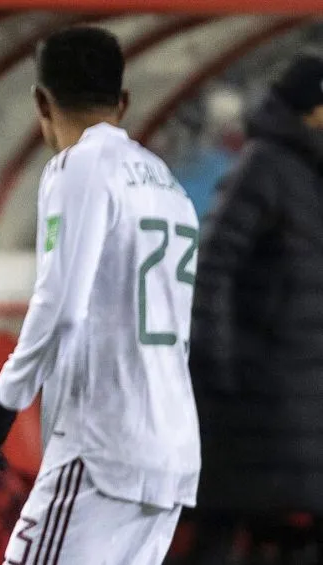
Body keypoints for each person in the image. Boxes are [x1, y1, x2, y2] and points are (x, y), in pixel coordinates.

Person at [0, 27, 201, 563]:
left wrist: (2, 402)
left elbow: (60, 306)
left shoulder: (78, 166)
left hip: (103, 447)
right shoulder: (168, 184)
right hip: (171, 449)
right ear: (123, 102)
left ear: (41, 101)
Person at [188, 53, 323, 563]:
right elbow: (213, 266)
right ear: (313, 109)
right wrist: (221, 365)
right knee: (236, 526)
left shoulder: (309, 170)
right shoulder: (265, 166)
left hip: (299, 392)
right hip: (265, 391)